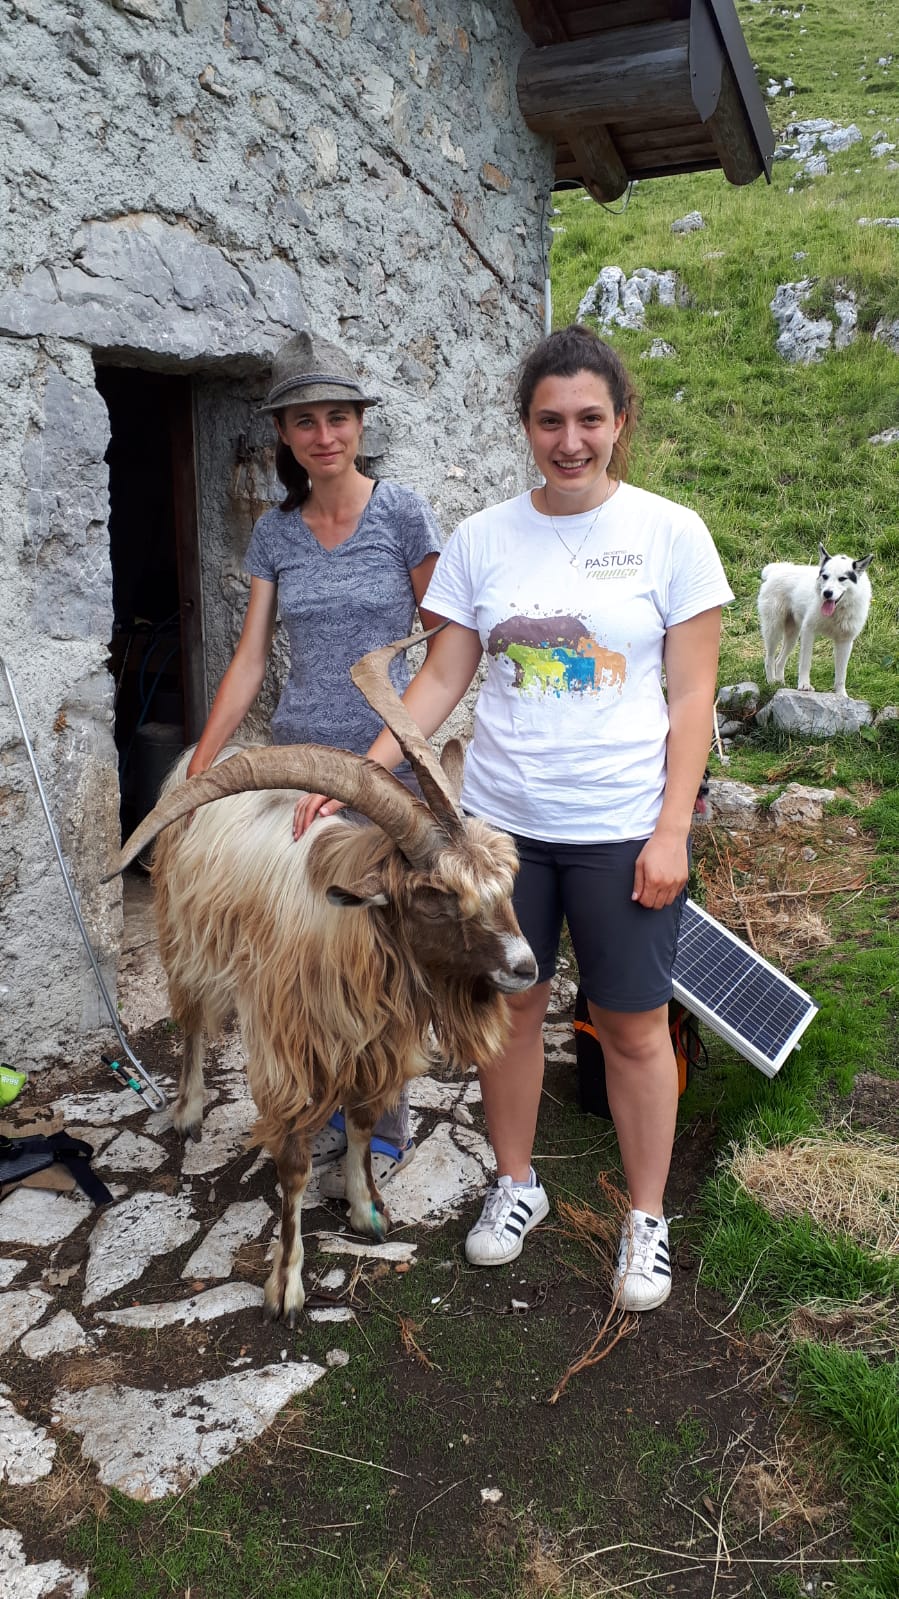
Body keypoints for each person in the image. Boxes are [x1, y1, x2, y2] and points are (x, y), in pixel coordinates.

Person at [298, 324, 733, 1310]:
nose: (569, 441)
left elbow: (691, 695)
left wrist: (671, 828)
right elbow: (441, 675)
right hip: (499, 835)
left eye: (589, 419)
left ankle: (646, 1219)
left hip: (621, 826)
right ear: (525, 427)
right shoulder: (484, 539)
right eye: (549, 421)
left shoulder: (671, 534)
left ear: (619, 422)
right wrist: (362, 773)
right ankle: (514, 1182)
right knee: (509, 1013)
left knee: (631, 1026)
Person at [186, 329, 444, 1189]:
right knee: (308, 950)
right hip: (299, 769)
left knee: (382, 952)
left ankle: (381, 1120)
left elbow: (444, 650)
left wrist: (371, 771)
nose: (323, 435)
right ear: (283, 435)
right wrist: (202, 772)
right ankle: (326, 1105)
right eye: (305, 421)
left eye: (338, 417)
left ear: (360, 424)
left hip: (386, 772)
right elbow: (250, 660)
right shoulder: (275, 533)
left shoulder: (402, 516)